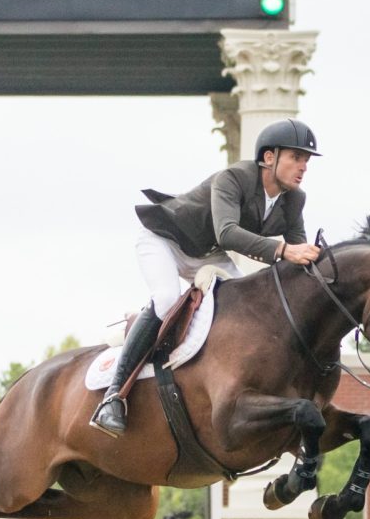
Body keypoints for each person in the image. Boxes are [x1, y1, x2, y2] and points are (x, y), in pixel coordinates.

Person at [100, 119, 322, 436]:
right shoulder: (234, 178)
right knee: (165, 298)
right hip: (165, 240)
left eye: (306, 161)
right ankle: (113, 397)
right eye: (295, 158)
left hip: (207, 254)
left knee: (243, 305)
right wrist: (285, 250)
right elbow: (228, 233)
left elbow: (295, 257)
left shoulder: (294, 200)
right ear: (269, 157)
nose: (302, 167)